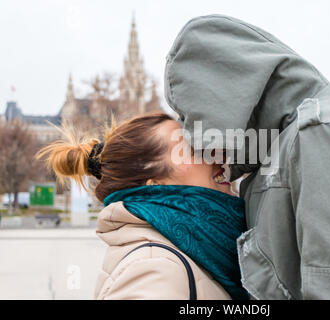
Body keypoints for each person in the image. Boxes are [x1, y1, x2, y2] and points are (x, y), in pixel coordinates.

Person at [164, 15, 330, 299]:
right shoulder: (300, 137)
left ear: (222, 96)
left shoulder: (320, 135)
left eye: (192, 116)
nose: (195, 137)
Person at [37, 113, 248, 300]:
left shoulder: (191, 248)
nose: (216, 156)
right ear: (155, 185)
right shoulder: (154, 267)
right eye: (191, 149)